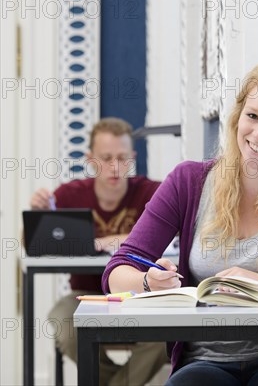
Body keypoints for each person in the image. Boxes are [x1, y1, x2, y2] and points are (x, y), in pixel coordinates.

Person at [102, 60, 258, 386]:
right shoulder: (188, 182)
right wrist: (148, 282)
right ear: (237, 118)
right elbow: (117, 271)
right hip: (205, 359)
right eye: (252, 116)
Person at [30, 117, 169, 386]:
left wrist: (111, 241)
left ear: (133, 158)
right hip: (85, 297)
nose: (115, 167)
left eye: (122, 157)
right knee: (62, 322)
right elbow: (33, 244)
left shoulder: (153, 192)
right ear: (91, 160)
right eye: (106, 158)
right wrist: (39, 216)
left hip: (139, 295)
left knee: (166, 334)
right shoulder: (68, 195)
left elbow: (178, 231)